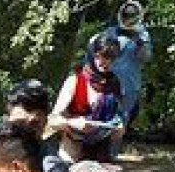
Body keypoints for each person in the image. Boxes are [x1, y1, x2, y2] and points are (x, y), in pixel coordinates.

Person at [50, 36, 125, 165]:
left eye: (109, 58)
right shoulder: (75, 81)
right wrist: (72, 123)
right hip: (72, 155)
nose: (104, 62)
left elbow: (117, 119)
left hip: (101, 156)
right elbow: (52, 121)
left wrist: (119, 129)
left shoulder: (114, 85)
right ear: (91, 55)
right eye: (99, 56)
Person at [87, 1, 154, 133]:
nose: (129, 18)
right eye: (127, 15)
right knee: (101, 119)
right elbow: (96, 51)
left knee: (119, 126)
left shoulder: (143, 35)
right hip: (108, 84)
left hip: (129, 88)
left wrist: (141, 41)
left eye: (132, 15)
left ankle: (112, 151)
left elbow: (146, 58)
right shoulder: (110, 32)